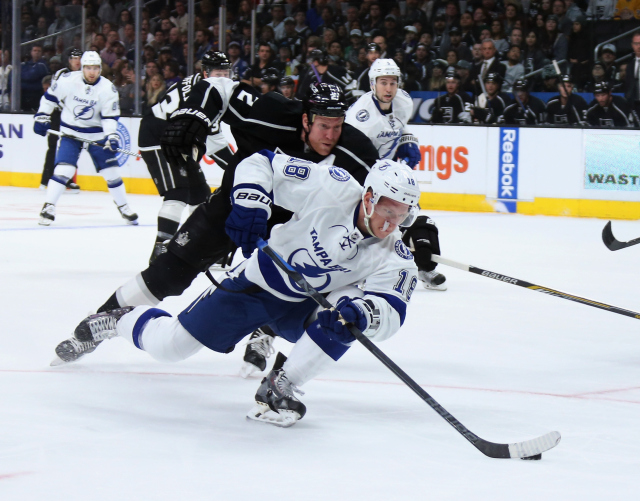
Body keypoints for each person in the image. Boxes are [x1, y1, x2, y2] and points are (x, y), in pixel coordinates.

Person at [55, 156, 421, 427]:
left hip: (303, 304)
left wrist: (368, 315)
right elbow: (261, 162)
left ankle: (281, 386)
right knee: (170, 348)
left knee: (347, 315)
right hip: (255, 285)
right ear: (370, 196)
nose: (392, 223)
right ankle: (120, 320)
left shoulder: (395, 254)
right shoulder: (333, 186)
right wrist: (250, 203)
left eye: (402, 215)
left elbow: (391, 308)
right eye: (388, 210)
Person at [139, 52, 234, 263]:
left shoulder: (205, 87)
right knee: (178, 192)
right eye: (219, 73)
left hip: (175, 137)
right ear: (205, 72)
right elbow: (215, 144)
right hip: (158, 136)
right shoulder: (204, 95)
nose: (224, 79)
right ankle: (161, 249)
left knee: (200, 194)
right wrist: (241, 166)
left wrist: (239, 165)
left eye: (226, 73)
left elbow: (213, 139)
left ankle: (198, 246)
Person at [33, 51, 138, 226]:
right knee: (64, 170)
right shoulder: (68, 80)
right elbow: (49, 99)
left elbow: (110, 117)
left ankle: (123, 206)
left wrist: (111, 136)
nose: (92, 72)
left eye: (95, 68)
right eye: (88, 68)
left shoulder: (107, 88)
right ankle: (48, 207)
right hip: (71, 133)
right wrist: (42, 117)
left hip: (96, 135)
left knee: (111, 173)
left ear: (100, 69)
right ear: (82, 68)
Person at [40, 48, 83, 192]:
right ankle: (46, 179)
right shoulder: (62, 74)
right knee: (53, 145)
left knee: (71, 147)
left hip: (74, 116)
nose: (77, 61)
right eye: (74, 58)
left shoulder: (86, 74)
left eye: (79, 58)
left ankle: (67, 179)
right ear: (69, 60)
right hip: (58, 114)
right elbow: (54, 93)